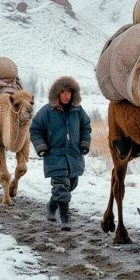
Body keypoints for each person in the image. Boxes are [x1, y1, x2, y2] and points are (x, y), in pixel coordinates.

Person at [30, 76, 91, 231]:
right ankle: (65, 218)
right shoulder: (47, 111)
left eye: (69, 92)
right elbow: (35, 129)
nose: (66, 95)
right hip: (54, 155)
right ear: (57, 93)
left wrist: (84, 143)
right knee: (61, 187)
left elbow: (86, 127)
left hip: (73, 155)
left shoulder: (78, 110)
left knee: (70, 185)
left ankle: (51, 205)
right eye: (62, 92)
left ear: (73, 94)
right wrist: (41, 146)